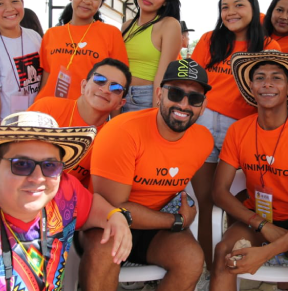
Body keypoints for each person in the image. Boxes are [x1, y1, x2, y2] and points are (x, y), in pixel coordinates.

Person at [0, 111, 133, 291]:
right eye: (21, 164)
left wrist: (116, 217)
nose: (38, 178)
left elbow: (93, 207)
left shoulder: (64, 189)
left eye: (50, 165)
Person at [80, 58, 214, 291]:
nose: (183, 104)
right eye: (175, 93)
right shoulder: (123, 131)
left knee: (191, 259)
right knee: (106, 243)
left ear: (203, 106)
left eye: (194, 98)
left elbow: (205, 196)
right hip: (106, 223)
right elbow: (114, 208)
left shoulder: (203, 140)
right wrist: (176, 220)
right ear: (159, 94)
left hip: (155, 230)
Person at [211, 50, 288, 291]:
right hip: (257, 219)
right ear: (251, 86)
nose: (267, 83)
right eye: (260, 77)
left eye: (276, 78)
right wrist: (262, 225)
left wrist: (269, 250)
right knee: (224, 252)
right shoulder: (238, 131)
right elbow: (219, 192)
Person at [191, 0, 280, 270]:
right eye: (224, 7)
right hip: (202, 126)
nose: (231, 12)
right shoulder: (208, 40)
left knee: (246, 198)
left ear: (253, 8)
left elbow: (272, 92)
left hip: (241, 131)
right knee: (206, 202)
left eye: (239, 5)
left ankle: (257, 258)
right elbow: (193, 79)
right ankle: (208, 268)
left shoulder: (268, 45)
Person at [28, 58, 131, 188]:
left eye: (116, 88)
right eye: (100, 80)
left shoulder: (110, 140)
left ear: (120, 104)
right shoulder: (47, 108)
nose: (105, 90)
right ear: (83, 86)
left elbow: (90, 194)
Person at [37, 0, 129, 102]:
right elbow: (46, 80)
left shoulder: (111, 33)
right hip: (48, 113)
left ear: (100, 3)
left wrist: (114, 121)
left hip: (88, 114)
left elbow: (118, 83)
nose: (87, 1)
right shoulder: (51, 34)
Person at [121, 0, 182, 112]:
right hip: (118, 95)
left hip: (146, 99)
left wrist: (155, 114)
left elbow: (162, 78)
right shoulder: (126, 26)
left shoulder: (169, 25)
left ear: (166, 1)